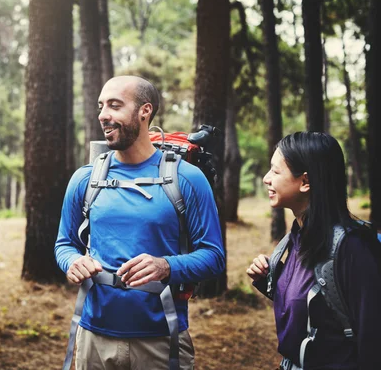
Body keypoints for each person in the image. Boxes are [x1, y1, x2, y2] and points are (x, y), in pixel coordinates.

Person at [55, 75, 225, 370]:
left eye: (115, 105)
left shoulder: (187, 179)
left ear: (145, 111)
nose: (103, 115)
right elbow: (64, 244)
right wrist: (72, 262)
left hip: (161, 339)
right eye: (101, 106)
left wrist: (167, 266)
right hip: (94, 337)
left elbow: (214, 256)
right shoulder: (85, 178)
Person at [247, 132, 381, 370]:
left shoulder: (353, 249)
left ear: (305, 182)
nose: (267, 179)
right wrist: (269, 281)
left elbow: (372, 342)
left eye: (276, 171)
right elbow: (317, 308)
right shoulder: (297, 238)